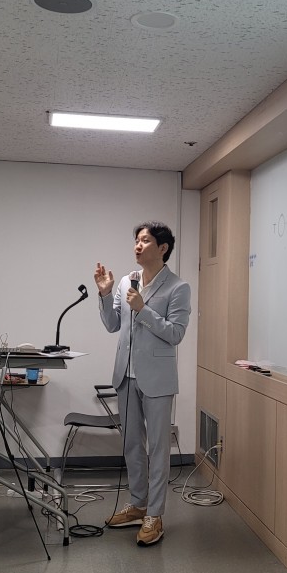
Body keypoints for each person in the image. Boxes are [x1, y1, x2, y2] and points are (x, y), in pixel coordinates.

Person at [95, 221, 191, 546]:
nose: (138, 245)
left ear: (162, 248)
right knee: (131, 444)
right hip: (126, 375)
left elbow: (175, 334)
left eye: (145, 240)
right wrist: (105, 293)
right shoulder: (126, 281)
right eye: (136, 240)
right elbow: (112, 324)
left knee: (158, 448)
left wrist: (143, 309)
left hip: (158, 380)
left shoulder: (178, 288)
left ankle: (155, 514)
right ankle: (137, 505)